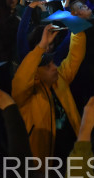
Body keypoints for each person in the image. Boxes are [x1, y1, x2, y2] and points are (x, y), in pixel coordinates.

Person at [12, 23, 86, 162]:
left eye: (52, 63)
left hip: (73, 150)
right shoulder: (27, 93)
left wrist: (77, 31)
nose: (54, 67)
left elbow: (75, 56)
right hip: (45, 162)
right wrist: (41, 46)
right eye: (48, 66)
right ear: (37, 73)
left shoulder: (60, 78)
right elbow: (21, 79)